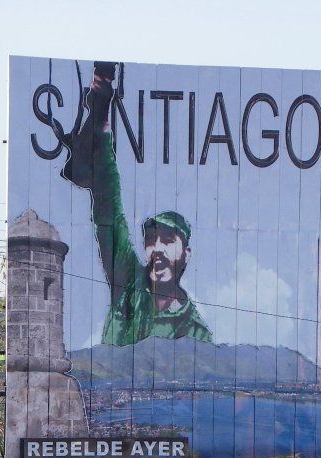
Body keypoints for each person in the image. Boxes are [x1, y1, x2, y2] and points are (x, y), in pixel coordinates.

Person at [61, 61, 212, 347]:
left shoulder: (196, 332)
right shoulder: (129, 283)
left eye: (168, 240)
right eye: (151, 241)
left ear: (186, 253)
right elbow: (110, 211)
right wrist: (102, 119)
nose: (157, 249)